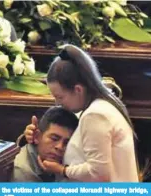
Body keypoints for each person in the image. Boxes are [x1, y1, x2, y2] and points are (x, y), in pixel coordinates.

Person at [24, 44, 139, 182]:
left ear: (78, 90)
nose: (57, 103)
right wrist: (33, 134)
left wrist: (62, 170)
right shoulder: (95, 107)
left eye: (60, 97)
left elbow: (99, 173)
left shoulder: (95, 115)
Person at [12, 106, 78, 182]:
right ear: (36, 136)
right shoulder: (22, 172)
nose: (60, 147)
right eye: (54, 139)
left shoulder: (69, 158)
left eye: (67, 143)